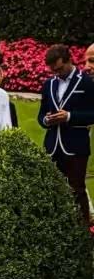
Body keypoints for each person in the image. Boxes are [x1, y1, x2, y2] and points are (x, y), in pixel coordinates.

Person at [38, 44, 94, 224]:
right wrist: (46, 120)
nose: (57, 73)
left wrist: (69, 116)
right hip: (52, 145)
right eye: (53, 70)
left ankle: (84, 229)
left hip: (76, 145)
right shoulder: (49, 84)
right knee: (52, 189)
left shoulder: (86, 82)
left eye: (60, 69)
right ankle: (58, 226)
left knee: (77, 189)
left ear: (70, 61)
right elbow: (41, 114)